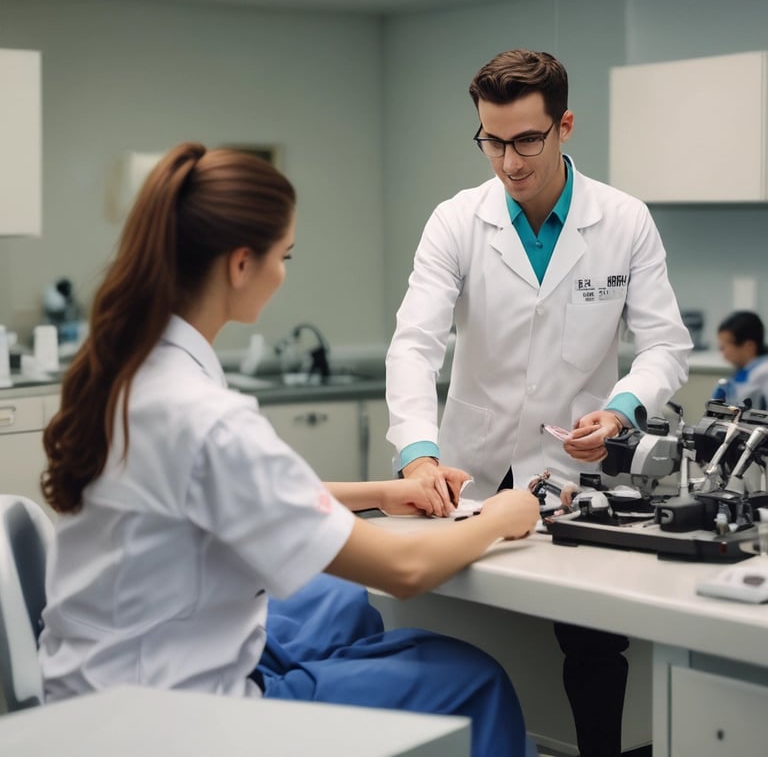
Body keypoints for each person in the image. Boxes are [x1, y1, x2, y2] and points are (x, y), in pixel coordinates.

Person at [38, 142, 540, 757]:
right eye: (285, 256)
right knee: (471, 678)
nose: (283, 272)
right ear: (241, 264)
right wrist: (499, 518)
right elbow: (405, 573)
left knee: (342, 607)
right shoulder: (207, 418)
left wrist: (385, 492)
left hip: (94, 683)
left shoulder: (134, 372)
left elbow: (228, 494)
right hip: (170, 723)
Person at [386, 49, 692, 757]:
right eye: (492, 140)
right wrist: (416, 450)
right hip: (467, 468)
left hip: (572, 469)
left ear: (565, 126)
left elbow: (665, 347)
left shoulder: (623, 220)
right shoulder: (457, 220)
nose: (509, 161)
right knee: (451, 630)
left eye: (527, 138)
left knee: (590, 639)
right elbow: (414, 345)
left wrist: (619, 410)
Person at [713, 310, 768, 410]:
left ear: (749, 346)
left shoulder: (762, 374)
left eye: (723, 347)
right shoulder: (744, 373)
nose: (721, 351)